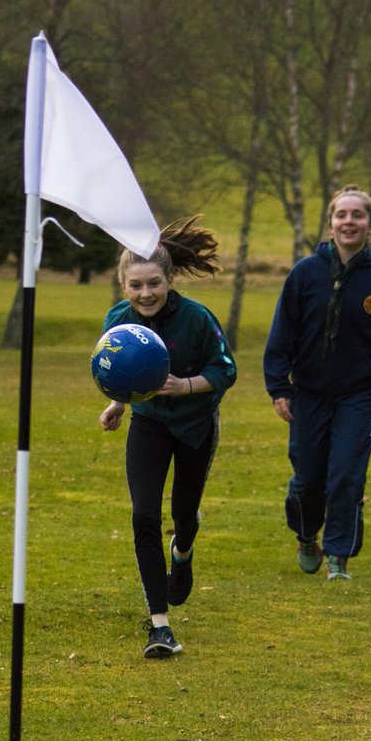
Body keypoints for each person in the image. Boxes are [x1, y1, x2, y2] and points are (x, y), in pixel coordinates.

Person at [99, 217, 237, 658]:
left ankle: (183, 548)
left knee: (183, 515)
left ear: (168, 279)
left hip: (195, 424)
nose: (145, 294)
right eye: (136, 285)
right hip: (149, 424)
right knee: (143, 516)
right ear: (124, 284)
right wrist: (117, 403)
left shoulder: (197, 318)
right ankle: (159, 625)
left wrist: (186, 385)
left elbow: (227, 370)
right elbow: (120, 372)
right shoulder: (118, 321)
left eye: (153, 283)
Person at [263, 184, 371, 580]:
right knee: (308, 476)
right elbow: (282, 335)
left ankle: (338, 555)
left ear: (369, 225)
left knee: (346, 474)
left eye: (357, 215)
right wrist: (279, 386)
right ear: (330, 223)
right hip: (309, 393)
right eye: (342, 215)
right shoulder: (305, 273)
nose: (349, 222)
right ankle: (307, 534)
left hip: (360, 395)